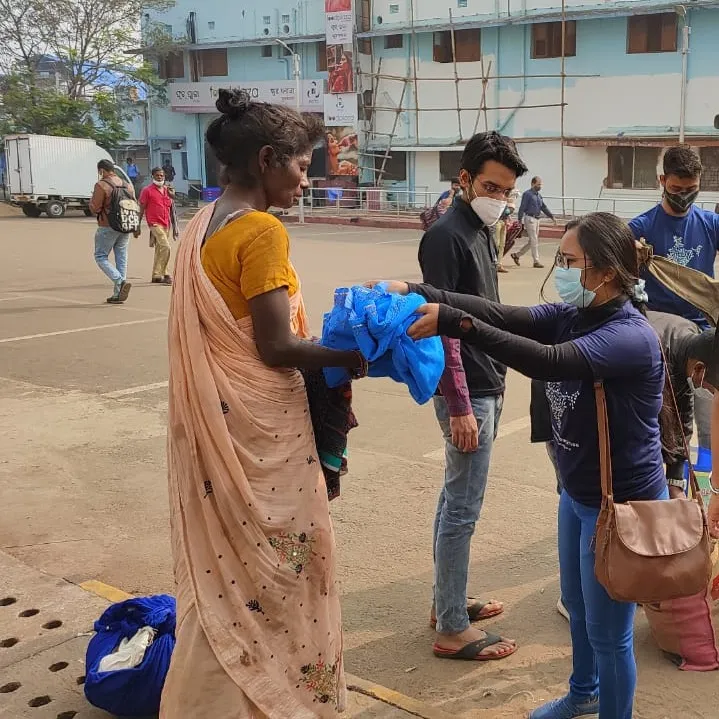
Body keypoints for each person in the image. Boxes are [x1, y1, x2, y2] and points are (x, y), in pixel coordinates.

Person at [382, 211, 670, 718]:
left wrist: (454, 324)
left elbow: (547, 361)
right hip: (579, 493)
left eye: (570, 260)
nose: (560, 268)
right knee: (578, 610)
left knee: (610, 634)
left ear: (603, 272)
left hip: (621, 506)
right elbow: (504, 314)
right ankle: (583, 694)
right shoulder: (575, 313)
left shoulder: (629, 336)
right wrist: (415, 289)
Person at [161, 89, 366, 718]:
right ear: (270, 159)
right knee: (282, 574)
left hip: (218, 427)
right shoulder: (261, 232)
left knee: (227, 579)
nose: (308, 179)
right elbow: (276, 347)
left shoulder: (202, 222)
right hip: (261, 433)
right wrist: (350, 354)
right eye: (304, 167)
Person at [416, 131, 527, 662]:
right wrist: (459, 404)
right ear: (463, 180)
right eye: (490, 186)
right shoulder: (445, 236)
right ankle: (452, 629)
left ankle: (448, 602)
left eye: (506, 190)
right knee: (463, 507)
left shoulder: (484, 230)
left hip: (490, 380)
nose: (499, 198)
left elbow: (488, 310)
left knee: (453, 497)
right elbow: (441, 326)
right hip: (469, 392)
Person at [629, 145, 719, 329]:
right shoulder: (640, 228)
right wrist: (629, 254)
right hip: (660, 327)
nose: (684, 196)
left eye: (691, 188)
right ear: (662, 180)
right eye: (676, 188)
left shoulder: (712, 224)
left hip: (704, 325)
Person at [89, 159, 133, 304]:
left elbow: (95, 207)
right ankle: (117, 294)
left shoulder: (101, 185)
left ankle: (120, 282)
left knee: (100, 256)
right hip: (125, 225)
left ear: (101, 170)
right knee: (121, 257)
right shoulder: (127, 185)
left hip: (107, 225)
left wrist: (91, 201)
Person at [137, 167, 176, 285]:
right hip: (154, 223)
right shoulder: (147, 190)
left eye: (162, 176)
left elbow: (172, 208)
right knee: (166, 247)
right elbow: (142, 208)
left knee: (160, 249)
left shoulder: (167, 190)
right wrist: (137, 225)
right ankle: (165, 273)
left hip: (166, 223)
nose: (160, 177)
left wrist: (171, 194)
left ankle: (156, 275)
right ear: (152, 176)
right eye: (157, 175)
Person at [512, 175, 556, 269]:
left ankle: (517, 255)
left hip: (537, 219)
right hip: (530, 218)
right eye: (538, 184)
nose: (540, 186)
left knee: (532, 241)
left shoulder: (538, 196)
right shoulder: (527, 194)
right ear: (532, 184)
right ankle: (536, 261)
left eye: (541, 184)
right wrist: (519, 220)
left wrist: (551, 216)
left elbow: (543, 207)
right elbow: (522, 207)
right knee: (534, 240)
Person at [493, 190, 518, 274]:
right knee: (496, 243)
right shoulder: (498, 200)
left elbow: (507, 212)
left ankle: (499, 264)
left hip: (504, 222)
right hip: (498, 222)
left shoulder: (506, 203)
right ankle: (494, 263)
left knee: (502, 244)